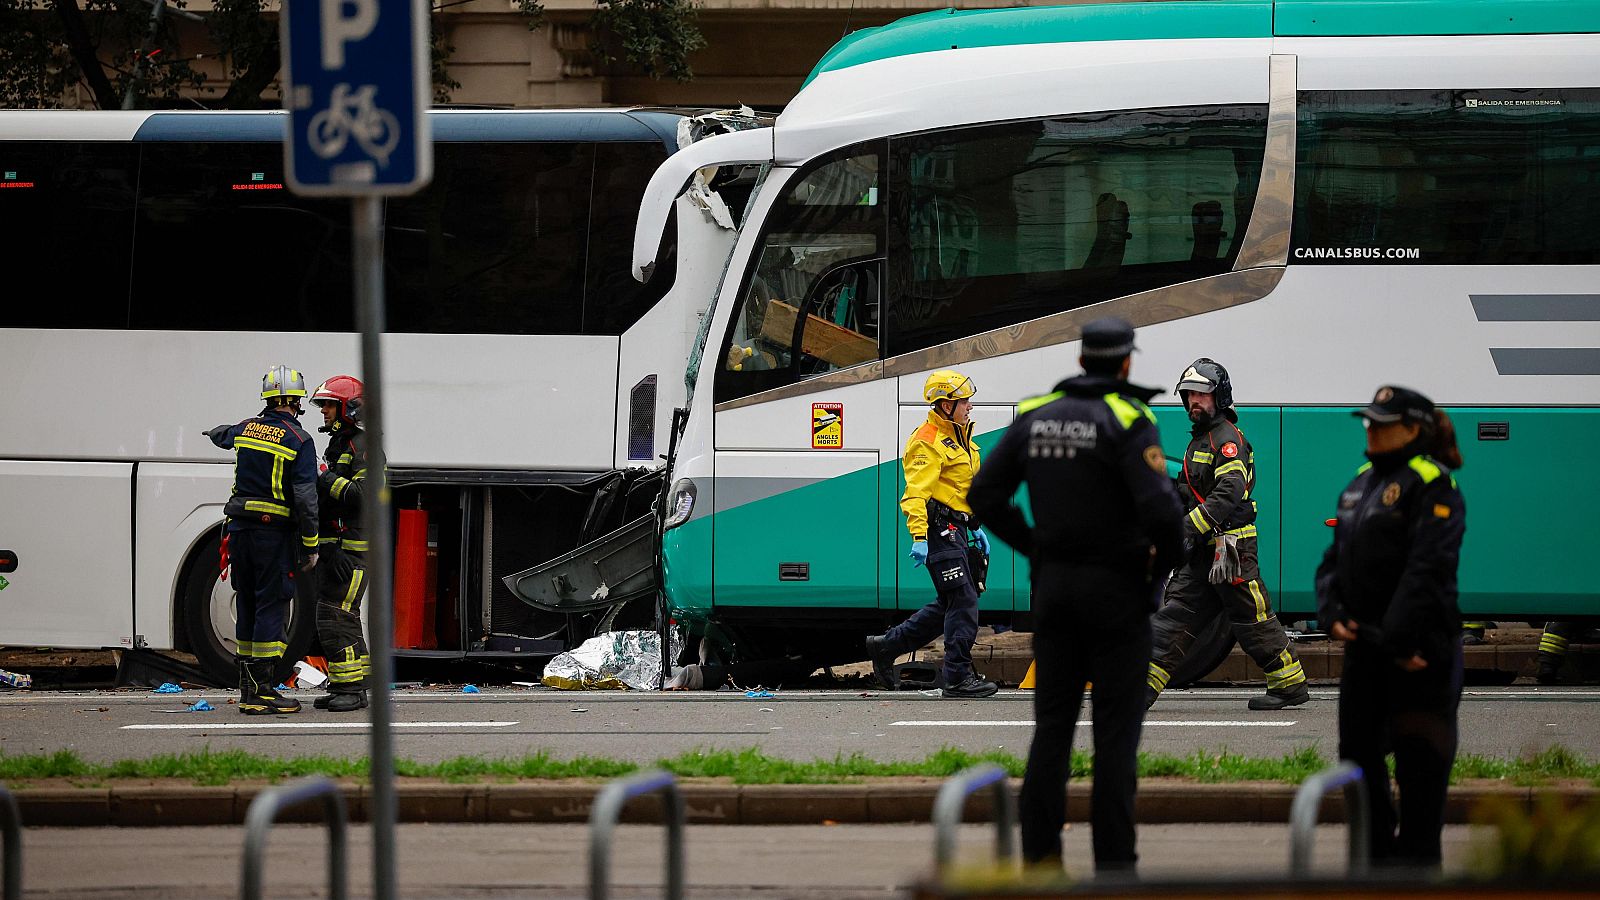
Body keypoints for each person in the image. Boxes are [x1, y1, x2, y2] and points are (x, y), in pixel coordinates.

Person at [968, 317, 1184, 875]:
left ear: (1083, 359)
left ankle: (1041, 866)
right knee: (1115, 738)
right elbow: (1163, 513)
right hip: (1117, 596)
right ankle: (1115, 870)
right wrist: (1161, 567)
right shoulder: (1130, 417)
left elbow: (984, 495)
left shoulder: (1036, 413)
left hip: (1056, 591)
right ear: (1125, 362)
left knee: (1052, 732)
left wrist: (1036, 547)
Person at [1317, 385, 1467, 870]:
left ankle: (1417, 873)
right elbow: (1332, 562)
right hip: (1367, 653)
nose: (1371, 430)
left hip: (1417, 655)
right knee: (1359, 767)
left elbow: (1427, 570)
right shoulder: (1361, 481)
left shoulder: (1432, 482)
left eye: (1381, 423)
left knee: (1421, 783)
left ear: (1413, 429)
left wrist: (1397, 641)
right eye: (1369, 422)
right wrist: (1331, 612)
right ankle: (1374, 867)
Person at [1145, 359, 1309, 711]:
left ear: (1219, 396)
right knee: (1176, 615)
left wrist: (1186, 528)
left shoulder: (1226, 440)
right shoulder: (1201, 440)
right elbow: (1191, 490)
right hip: (1205, 552)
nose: (1193, 402)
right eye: (1189, 395)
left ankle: (1289, 684)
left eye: (1201, 395)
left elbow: (1228, 491)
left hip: (1232, 550)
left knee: (1252, 619)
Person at [865, 369, 999, 699]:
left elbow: (960, 488)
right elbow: (915, 494)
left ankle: (886, 646)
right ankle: (957, 677)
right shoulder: (928, 442)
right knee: (963, 600)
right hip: (939, 530)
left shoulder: (961, 436)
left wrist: (976, 526)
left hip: (958, 528)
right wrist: (919, 537)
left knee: (950, 602)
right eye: (962, 401)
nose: (969, 406)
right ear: (944, 405)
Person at [206, 365, 320, 715]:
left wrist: (214, 430)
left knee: (249, 606)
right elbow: (305, 497)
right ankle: (264, 691)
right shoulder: (299, 440)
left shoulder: (245, 428)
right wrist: (311, 543)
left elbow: (221, 434)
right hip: (272, 536)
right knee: (271, 605)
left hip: (239, 531)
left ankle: (247, 690)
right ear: (293, 400)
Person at [309, 375, 371, 712]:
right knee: (338, 615)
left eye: (330, 405)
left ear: (349, 408)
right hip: (340, 549)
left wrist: (323, 475)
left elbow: (362, 498)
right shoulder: (342, 446)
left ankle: (350, 689)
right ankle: (351, 686)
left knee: (336, 617)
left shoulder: (363, 448)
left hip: (354, 552)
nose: (324, 412)